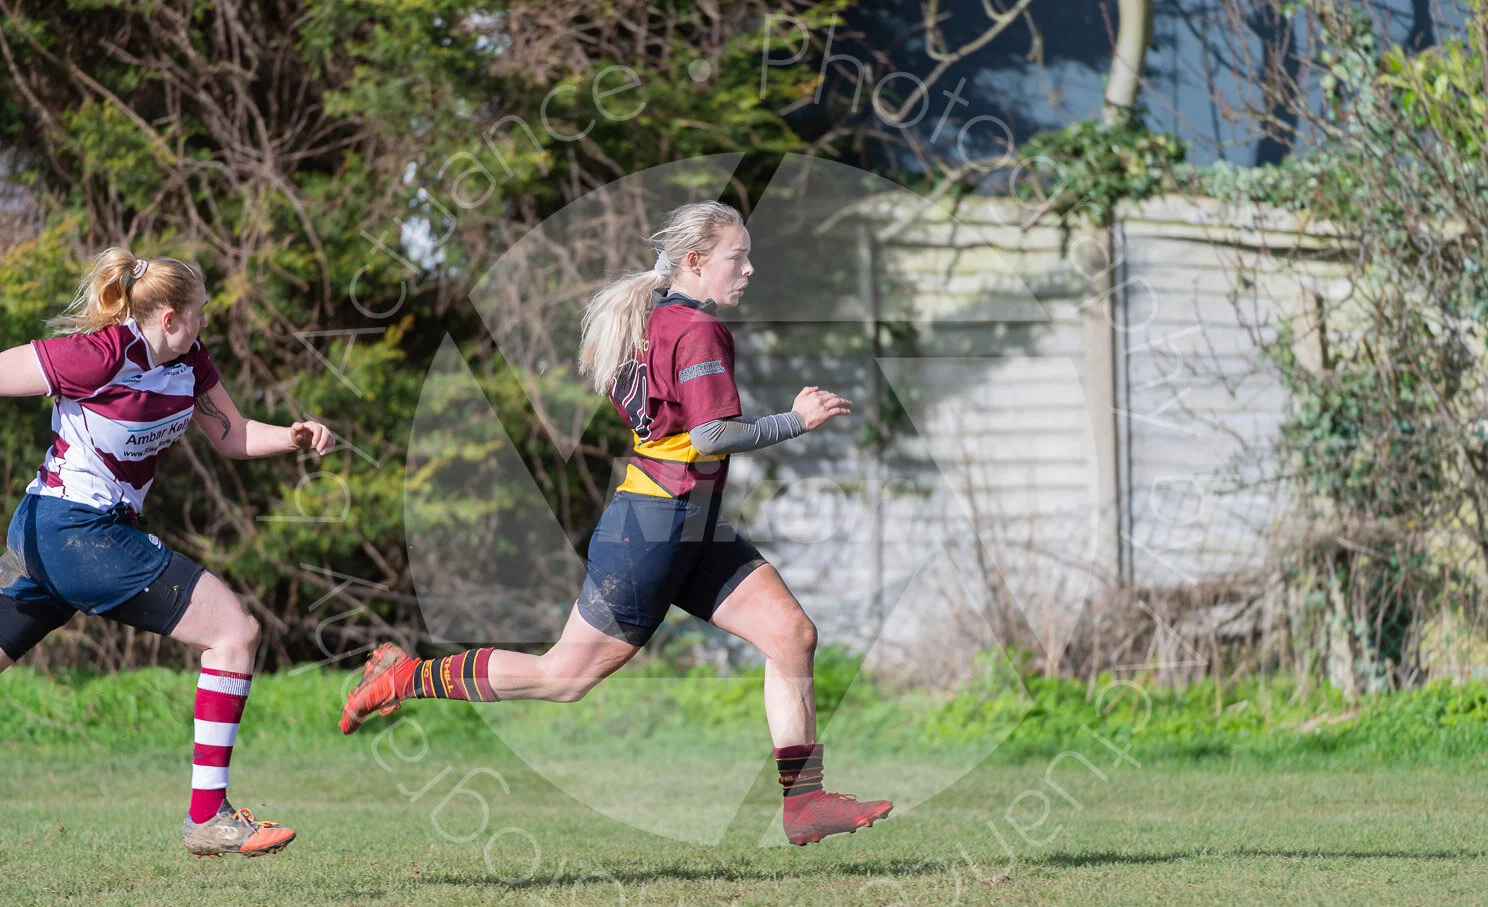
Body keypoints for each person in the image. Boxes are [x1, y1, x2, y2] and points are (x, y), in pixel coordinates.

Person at [341, 201, 893, 846]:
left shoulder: (652, 317)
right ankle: (405, 677)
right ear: (695, 261)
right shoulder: (695, 330)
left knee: (792, 634)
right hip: (654, 531)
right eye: (736, 258)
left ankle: (804, 802)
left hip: (689, 525)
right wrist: (795, 420)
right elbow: (712, 436)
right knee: (563, 678)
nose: (749, 269)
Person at [0, 248, 332, 857]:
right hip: (75, 533)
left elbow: (231, 434)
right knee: (233, 630)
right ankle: (208, 817)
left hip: (57, 534)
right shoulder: (99, 353)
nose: (207, 324)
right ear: (171, 317)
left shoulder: (189, 361)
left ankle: (209, 817)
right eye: (201, 314)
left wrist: (293, 436)